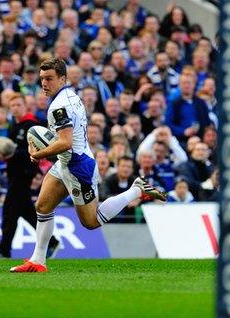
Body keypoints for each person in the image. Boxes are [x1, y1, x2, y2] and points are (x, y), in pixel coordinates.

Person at [10, 58, 165, 273]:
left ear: (62, 78)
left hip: (77, 167)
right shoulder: (69, 95)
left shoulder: (59, 106)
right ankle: (38, 261)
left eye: (49, 79)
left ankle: (136, 190)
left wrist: (39, 154)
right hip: (66, 161)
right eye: (42, 78)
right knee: (43, 206)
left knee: (91, 222)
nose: (44, 83)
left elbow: (65, 142)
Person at [0, 93, 60, 259]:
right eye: (12, 106)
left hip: (24, 173)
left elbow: (37, 148)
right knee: (26, 212)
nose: (15, 108)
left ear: (25, 106)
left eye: (18, 105)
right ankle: (52, 241)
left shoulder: (31, 125)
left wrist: (12, 151)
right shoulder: (15, 125)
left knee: (10, 211)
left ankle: (3, 250)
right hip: (14, 173)